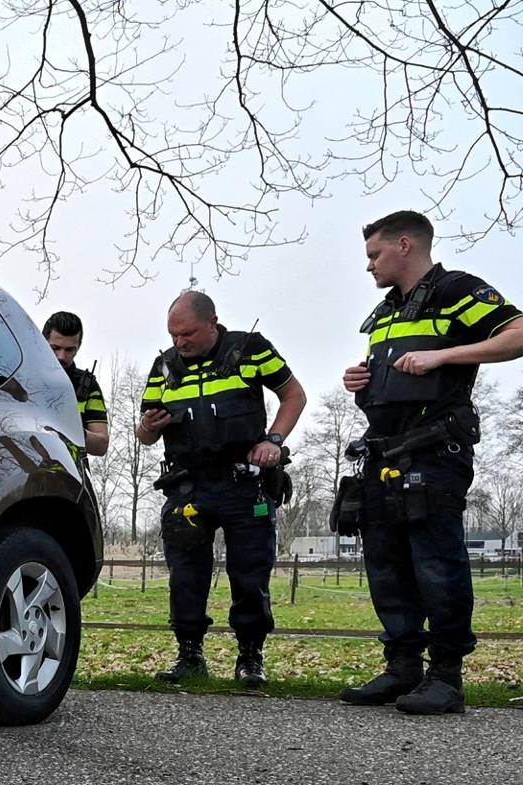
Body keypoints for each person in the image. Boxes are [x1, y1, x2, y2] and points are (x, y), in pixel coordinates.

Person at [337, 211, 523, 715]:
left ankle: (446, 677)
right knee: (386, 563)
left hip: (434, 453)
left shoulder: (457, 290)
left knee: (435, 564)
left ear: (404, 245)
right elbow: (394, 382)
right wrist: (362, 380)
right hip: (383, 453)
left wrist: (445, 356)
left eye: (374, 255)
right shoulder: (386, 313)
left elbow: (518, 334)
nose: (369, 265)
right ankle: (402, 668)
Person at [137, 292, 306, 687]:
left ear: (213, 323)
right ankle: (190, 654)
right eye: (173, 335)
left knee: (249, 574)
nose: (180, 342)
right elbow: (143, 435)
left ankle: (250, 656)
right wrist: (149, 426)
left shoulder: (250, 349)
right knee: (185, 576)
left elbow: (294, 395)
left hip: (243, 483)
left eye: (188, 333)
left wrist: (274, 441)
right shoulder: (164, 366)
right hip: (188, 488)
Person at [42, 311, 109, 456]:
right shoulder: (22, 375)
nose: (62, 356)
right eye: (55, 348)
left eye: (69, 350)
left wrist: (72, 431)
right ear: (42, 342)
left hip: (70, 473)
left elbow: (102, 444)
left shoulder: (88, 385)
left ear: (78, 347)